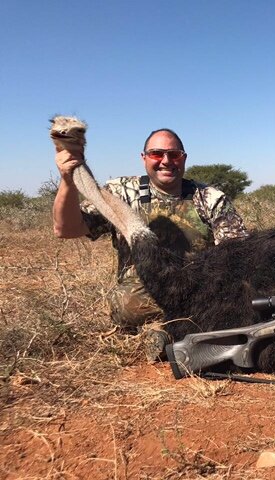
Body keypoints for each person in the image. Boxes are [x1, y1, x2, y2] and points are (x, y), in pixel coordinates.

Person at [53, 128, 248, 353]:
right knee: (129, 305)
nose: (166, 161)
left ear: (184, 158)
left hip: (199, 291)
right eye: (157, 154)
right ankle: (181, 331)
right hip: (142, 298)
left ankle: (168, 332)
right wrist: (68, 180)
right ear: (144, 158)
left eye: (174, 155)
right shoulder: (121, 193)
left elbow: (238, 254)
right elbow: (66, 229)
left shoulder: (210, 198)